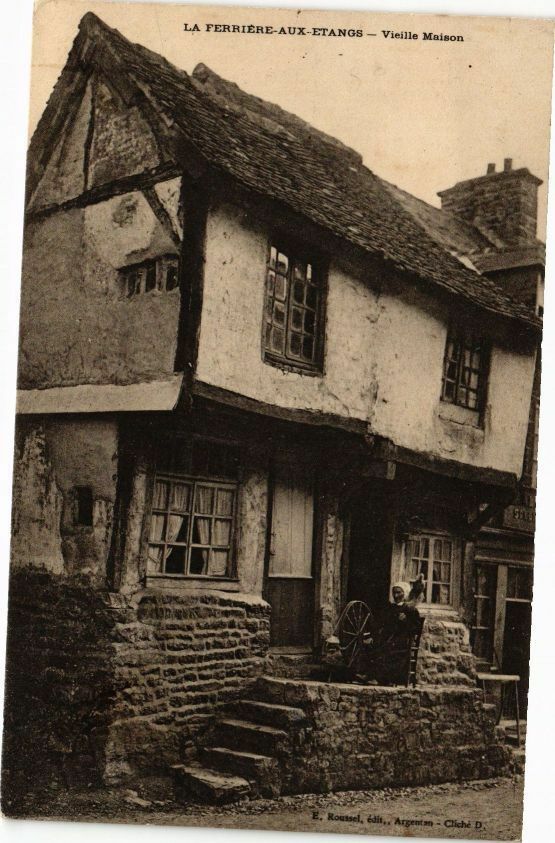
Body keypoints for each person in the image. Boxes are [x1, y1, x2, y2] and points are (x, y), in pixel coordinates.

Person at [355, 581, 422, 685]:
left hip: (401, 641)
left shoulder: (410, 610)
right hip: (388, 637)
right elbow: (380, 624)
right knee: (373, 645)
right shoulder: (389, 608)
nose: (396, 595)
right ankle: (368, 675)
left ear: (404, 593)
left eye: (398, 592)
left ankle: (379, 679)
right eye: (394, 592)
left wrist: (405, 621)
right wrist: (372, 636)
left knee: (386, 649)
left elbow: (416, 628)